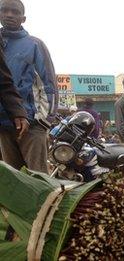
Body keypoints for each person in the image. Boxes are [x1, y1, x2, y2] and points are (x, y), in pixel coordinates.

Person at [0, 0, 57, 174]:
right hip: (3, 125)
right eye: (4, 10)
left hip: (32, 125)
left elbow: (50, 85)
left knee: (38, 179)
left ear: (23, 18)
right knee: (13, 181)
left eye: (15, 12)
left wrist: (44, 121)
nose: (9, 14)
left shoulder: (35, 45)